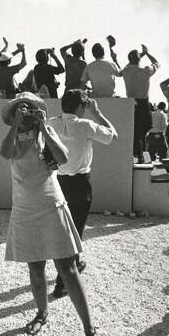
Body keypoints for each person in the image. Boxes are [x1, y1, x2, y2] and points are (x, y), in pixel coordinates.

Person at [0, 92, 102, 336]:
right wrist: (15, 126)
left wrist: (44, 127)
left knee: (67, 268)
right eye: (21, 109)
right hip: (24, 206)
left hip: (50, 203)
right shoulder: (13, 134)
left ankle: (90, 330)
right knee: (35, 267)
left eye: (30, 109)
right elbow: (5, 153)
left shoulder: (45, 132)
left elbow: (64, 158)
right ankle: (42, 313)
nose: (26, 113)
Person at [48, 89, 117, 298]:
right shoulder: (86, 125)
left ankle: (75, 262)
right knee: (74, 232)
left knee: (64, 230)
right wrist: (97, 113)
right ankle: (62, 284)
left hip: (57, 182)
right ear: (81, 107)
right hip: (80, 184)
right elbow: (112, 135)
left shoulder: (52, 123)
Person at [122, 44, 161, 163]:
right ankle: (139, 153)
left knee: (136, 131)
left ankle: (138, 152)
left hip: (131, 103)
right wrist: (147, 53)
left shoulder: (126, 71)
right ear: (139, 59)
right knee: (145, 127)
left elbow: (129, 64)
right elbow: (157, 63)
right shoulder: (145, 71)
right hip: (143, 103)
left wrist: (140, 55)